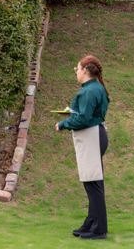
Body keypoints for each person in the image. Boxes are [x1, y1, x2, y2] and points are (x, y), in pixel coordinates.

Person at [55, 55, 110, 240]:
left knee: (93, 185)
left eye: (77, 68)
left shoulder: (90, 90)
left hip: (91, 136)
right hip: (95, 134)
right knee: (92, 183)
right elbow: (86, 114)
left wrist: (63, 124)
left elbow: (84, 118)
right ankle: (91, 223)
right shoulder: (94, 88)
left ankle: (99, 229)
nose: (76, 72)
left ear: (85, 70)